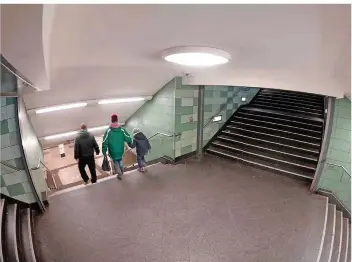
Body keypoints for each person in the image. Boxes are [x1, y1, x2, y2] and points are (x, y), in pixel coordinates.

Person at [102, 114, 132, 180]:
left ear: (111, 120)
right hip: (121, 150)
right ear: (117, 120)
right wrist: (130, 143)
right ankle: (122, 170)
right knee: (120, 161)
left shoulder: (108, 131)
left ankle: (119, 172)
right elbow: (128, 137)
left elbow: (104, 142)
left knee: (115, 162)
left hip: (112, 151)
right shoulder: (122, 130)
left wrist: (104, 151)